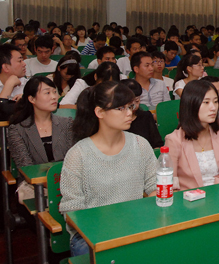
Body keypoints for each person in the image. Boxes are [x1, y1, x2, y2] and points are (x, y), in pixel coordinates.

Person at [60, 81, 157, 257]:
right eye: (120, 108)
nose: (129, 113)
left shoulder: (140, 144)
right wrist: (114, 224)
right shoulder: (78, 154)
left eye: (130, 106)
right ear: (99, 112)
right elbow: (72, 210)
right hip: (91, 234)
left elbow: (155, 186)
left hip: (134, 226)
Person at [8, 76, 74, 204]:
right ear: (32, 99)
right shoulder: (17, 129)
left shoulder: (67, 124)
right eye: (47, 93)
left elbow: (73, 160)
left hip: (66, 181)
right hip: (34, 185)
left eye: (54, 92)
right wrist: (52, 185)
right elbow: (26, 167)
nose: (54, 97)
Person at [164, 80, 219, 190]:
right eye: (206, 102)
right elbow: (169, 187)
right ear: (191, 105)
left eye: (215, 101)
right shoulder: (174, 140)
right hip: (189, 197)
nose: (213, 107)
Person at [120, 79, 163, 148]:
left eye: (137, 101)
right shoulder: (116, 121)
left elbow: (157, 144)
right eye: (130, 102)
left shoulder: (146, 117)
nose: (134, 106)